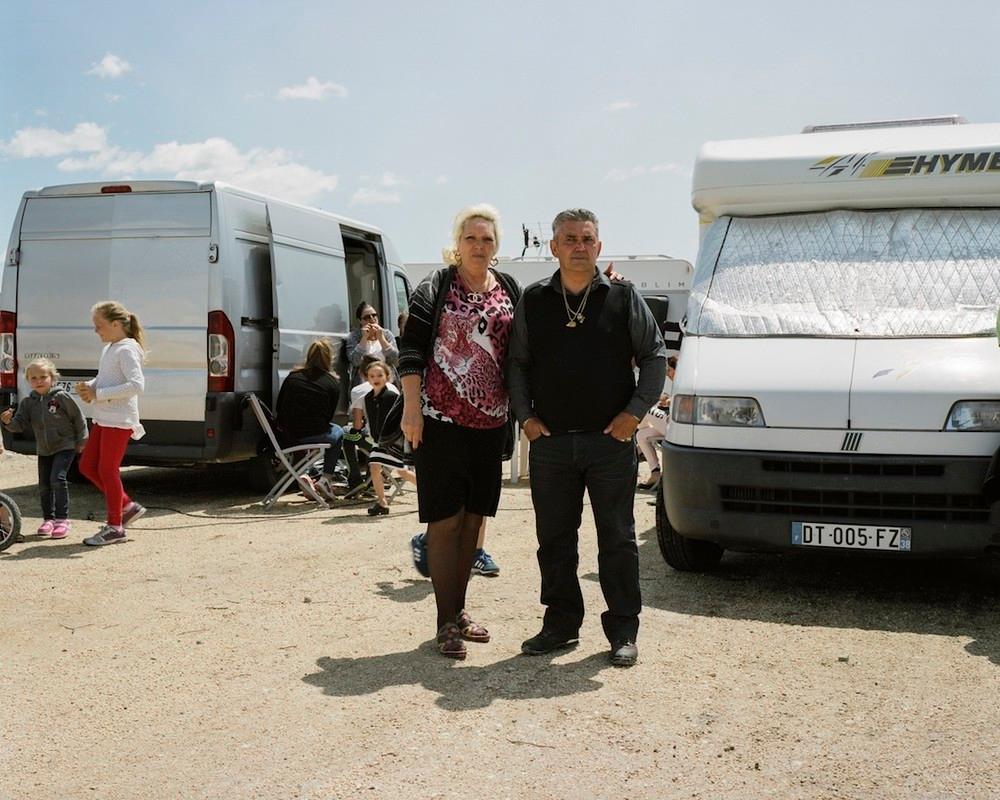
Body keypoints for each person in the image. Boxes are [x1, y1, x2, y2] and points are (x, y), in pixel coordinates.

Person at [507, 208, 667, 667]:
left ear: (599, 246)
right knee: (554, 539)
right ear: (553, 247)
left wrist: (633, 415)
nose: (579, 245)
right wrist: (526, 419)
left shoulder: (621, 296)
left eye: (588, 238)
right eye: (570, 238)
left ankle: (622, 630)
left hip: (609, 443)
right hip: (552, 444)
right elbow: (517, 364)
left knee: (616, 538)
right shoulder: (534, 300)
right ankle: (560, 625)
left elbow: (654, 356)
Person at [398, 203, 521, 660]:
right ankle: (444, 621)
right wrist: (411, 409)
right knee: (445, 521)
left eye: (487, 239)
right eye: (471, 238)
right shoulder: (435, 286)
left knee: (474, 520)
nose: (479, 246)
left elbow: (527, 347)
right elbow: (410, 349)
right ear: (458, 242)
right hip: (440, 423)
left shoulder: (508, 288)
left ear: (496, 245)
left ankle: (460, 609)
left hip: (490, 426)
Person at [76, 301, 148, 546]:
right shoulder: (111, 348)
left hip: (119, 419)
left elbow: (137, 385)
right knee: (87, 465)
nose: (96, 331)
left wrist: (99, 393)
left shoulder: (127, 349)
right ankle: (126, 506)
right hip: (104, 417)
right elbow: (106, 377)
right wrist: (91, 386)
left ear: (116, 324)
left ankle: (115, 527)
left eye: (99, 326)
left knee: (107, 470)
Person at [0, 359, 88, 539]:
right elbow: (19, 425)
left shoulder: (61, 397)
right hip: (44, 449)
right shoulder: (28, 402)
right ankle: (48, 519)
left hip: (65, 445)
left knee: (58, 478)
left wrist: (82, 439)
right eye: (33, 378)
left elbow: (78, 418)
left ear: (52, 378)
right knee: (44, 485)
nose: (38, 381)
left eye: (43, 377)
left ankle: (62, 520)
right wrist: (7, 421)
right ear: (28, 380)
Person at [275, 338, 344, 500]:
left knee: (308, 427)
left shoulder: (293, 377)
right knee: (339, 431)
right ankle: (326, 478)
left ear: (308, 356)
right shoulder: (332, 383)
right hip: (312, 434)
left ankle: (304, 473)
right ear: (329, 358)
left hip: (288, 435)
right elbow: (328, 417)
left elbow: (280, 407)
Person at [360, 359, 415, 515]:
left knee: (401, 471)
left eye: (379, 375)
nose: (376, 378)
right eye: (372, 376)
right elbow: (370, 419)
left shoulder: (391, 396)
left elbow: (398, 418)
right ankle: (382, 502)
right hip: (380, 440)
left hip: (393, 439)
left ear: (386, 377)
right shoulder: (368, 398)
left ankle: (427, 492)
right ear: (367, 378)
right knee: (375, 466)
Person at [636, 355, 677, 490]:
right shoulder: (677, 384)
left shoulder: (685, 382)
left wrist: (669, 401)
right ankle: (655, 472)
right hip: (670, 425)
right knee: (641, 435)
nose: (668, 375)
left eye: (669, 371)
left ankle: (638, 451)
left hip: (678, 428)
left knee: (646, 410)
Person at [345, 302, 399, 386]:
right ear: (360, 321)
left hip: (387, 385)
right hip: (363, 385)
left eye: (374, 315)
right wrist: (364, 339)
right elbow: (355, 361)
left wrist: (381, 339)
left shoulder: (387, 334)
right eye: (366, 317)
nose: (372, 319)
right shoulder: (354, 336)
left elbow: (395, 360)